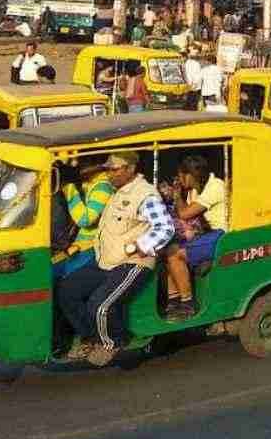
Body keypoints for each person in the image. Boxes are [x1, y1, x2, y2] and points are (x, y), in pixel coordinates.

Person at [55, 152, 173, 365]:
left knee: (100, 305)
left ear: (130, 169)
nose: (109, 173)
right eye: (108, 168)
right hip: (106, 260)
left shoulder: (144, 195)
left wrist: (140, 246)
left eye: (114, 169)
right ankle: (92, 335)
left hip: (133, 262)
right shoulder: (117, 191)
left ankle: (113, 341)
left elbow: (165, 227)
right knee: (67, 291)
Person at [161, 155, 228, 320]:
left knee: (174, 253)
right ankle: (173, 300)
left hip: (220, 235)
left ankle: (187, 303)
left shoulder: (215, 186)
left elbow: (184, 213)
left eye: (181, 176)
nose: (179, 180)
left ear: (190, 175)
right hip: (205, 233)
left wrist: (177, 196)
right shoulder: (194, 190)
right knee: (165, 250)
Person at [52, 159, 117, 282]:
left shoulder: (103, 187)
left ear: (97, 166)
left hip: (92, 246)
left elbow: (85, 220)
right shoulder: (87, 184)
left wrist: (69, 190)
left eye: (81, 166)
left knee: (66, 281)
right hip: (78, 245)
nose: (78, 169)